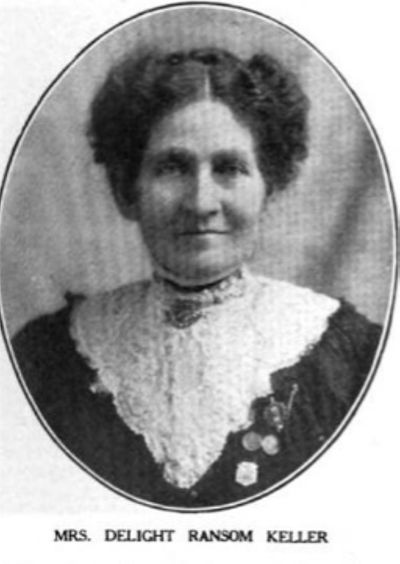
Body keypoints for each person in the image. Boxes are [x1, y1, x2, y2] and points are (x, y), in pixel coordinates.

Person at [11, 48, 381, 509]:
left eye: (229, 168)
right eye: (172, 167)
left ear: (268, 187)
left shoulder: (350, 359)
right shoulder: (48, 357)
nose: (201, 202)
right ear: (127, 190)